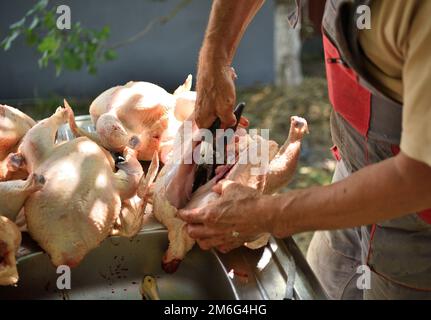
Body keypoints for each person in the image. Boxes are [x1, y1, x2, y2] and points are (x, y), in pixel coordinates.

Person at [177, 0, 431, 299]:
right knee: (318, 289)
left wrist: (266, 214)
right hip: (352, 177)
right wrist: (214, 57)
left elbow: (419, 178)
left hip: (417, 226)